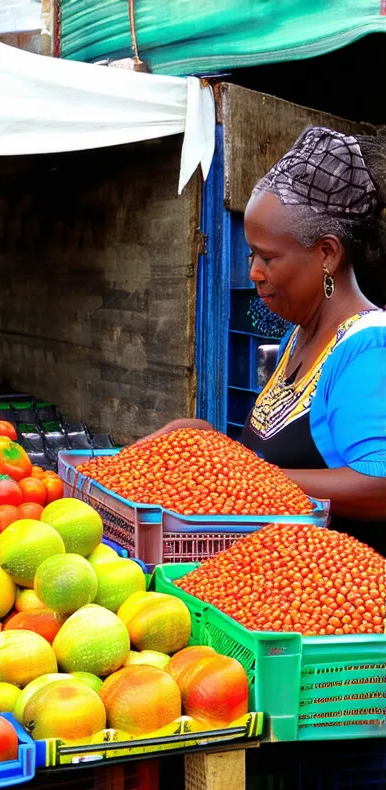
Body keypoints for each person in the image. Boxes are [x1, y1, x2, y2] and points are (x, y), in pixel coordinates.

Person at [150, 126, 386, 548]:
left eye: (269, 257)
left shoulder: (369, 350)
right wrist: (208, 441)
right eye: (252, 253)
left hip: (339, 600)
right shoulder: (300, 336)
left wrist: (241, 472)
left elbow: (379, 487)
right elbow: (273, 457)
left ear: (327, 254)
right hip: (278, 582)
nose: (254, 271)